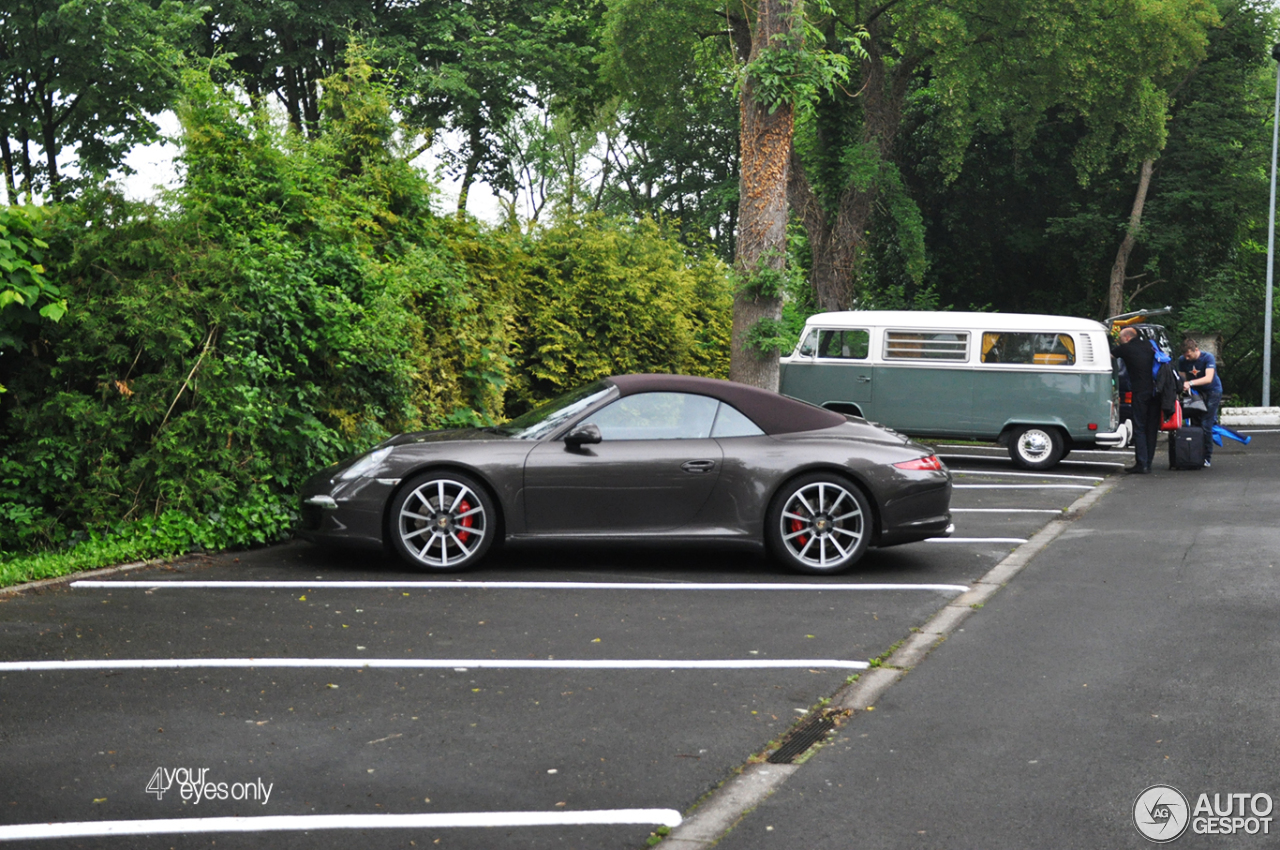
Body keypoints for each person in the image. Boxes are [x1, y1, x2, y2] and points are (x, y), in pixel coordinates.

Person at [1111, 327, 1159, 474]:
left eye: (1120, 338)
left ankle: (1141, 464)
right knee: (1151, 428)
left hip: (1140, 392)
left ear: (1126, 338)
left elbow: (1106, 356)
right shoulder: (1150, 345)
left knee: (1139, 427)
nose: (1119, 341)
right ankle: (1148, 463)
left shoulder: (1126, 348)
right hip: (1157, 391)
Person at [1178, 338, 1223, 468]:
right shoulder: (1182, 360)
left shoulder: (1207, 358)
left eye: (1189, 355)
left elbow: (1208, 378)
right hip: (1196, 394)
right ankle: (1194, 454)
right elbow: (1183, 378)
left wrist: (1190, 383)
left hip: (1212, 392)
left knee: (1206, 424)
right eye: (1185, 355)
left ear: (1196, 350)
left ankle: (1206, 457)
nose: (1186, 358)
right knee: (1195, 423)